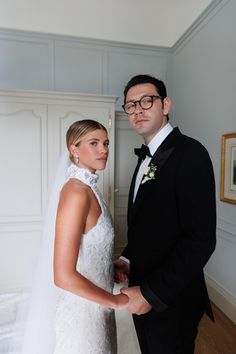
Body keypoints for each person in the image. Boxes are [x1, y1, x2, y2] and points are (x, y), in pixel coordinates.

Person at [114, 74, 216, 354]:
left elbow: (200, 241)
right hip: (140, 288)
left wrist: (151, 294)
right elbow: (149, 224)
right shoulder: (147, 156)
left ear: (165, 105)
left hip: (172, 299)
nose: (138, 110)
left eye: (147, 100)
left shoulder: (191, 153)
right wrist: (127, 258)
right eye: (131, 105)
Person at [20, 119, 128, 354]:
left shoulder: (90, 190)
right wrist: (117, 301)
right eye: (94, 143)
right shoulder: (76, 193)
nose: (104, 150)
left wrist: (109, 266)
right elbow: (63, 276)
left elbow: (85, 250)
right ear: (74, 149)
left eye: (106, 143)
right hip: (83, 316)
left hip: (98, 308)